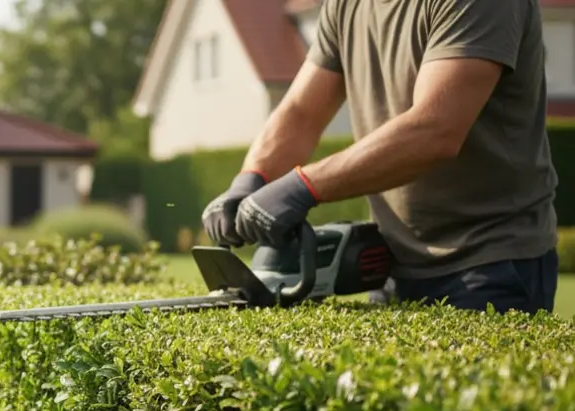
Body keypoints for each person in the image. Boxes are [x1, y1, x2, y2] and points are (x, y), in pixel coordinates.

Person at [201, 0, 558, 314]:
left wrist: (302, 186)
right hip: (392, 264)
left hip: (491, 263)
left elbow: (436, 130)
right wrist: (251, 179)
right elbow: (300, 114)